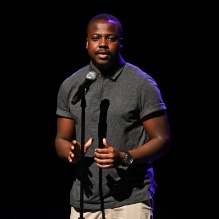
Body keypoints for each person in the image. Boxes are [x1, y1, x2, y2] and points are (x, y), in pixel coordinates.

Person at [55, 13, 171, 219]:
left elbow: (162, 139)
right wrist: (71, 152)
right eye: (96, 38)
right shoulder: (72, 85)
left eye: (111, 38)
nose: (103, 44)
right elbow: (61, 139)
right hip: (84, 200)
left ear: (120, 42)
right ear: (86, 43)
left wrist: (125, 157)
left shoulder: (141, 84)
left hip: (130, 200)